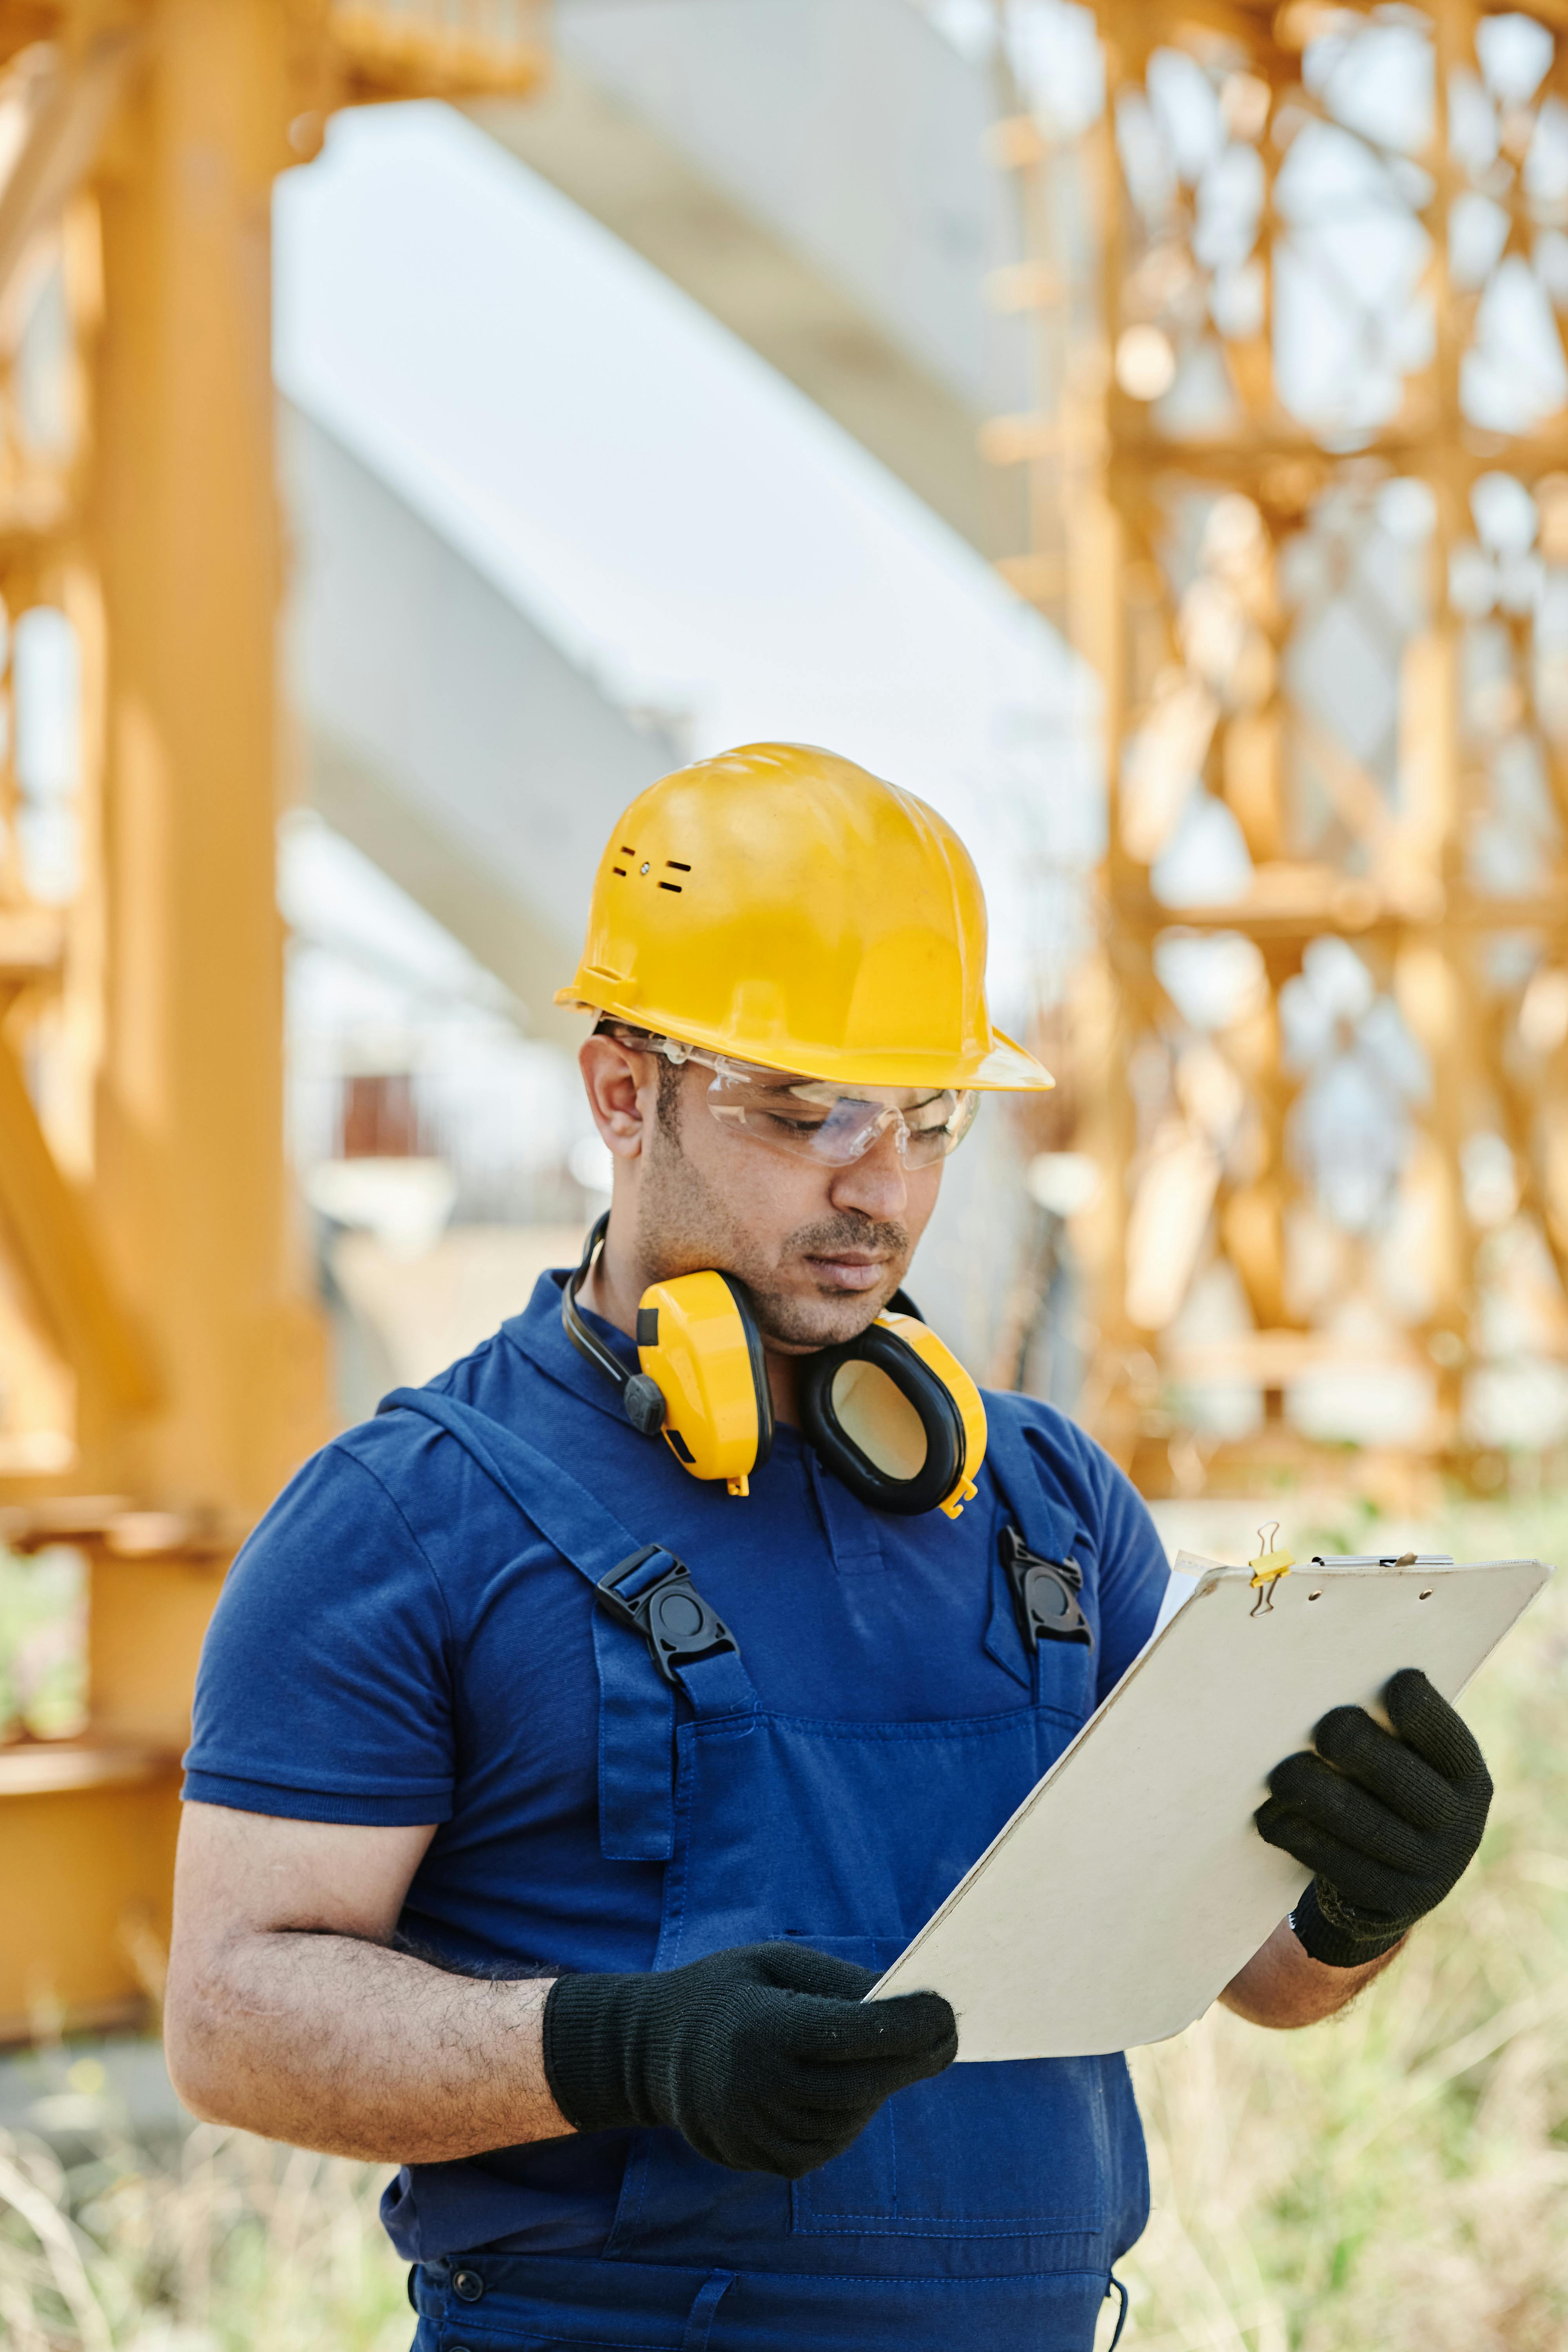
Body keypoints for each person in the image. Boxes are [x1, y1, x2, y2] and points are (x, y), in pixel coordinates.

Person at [165, 744, 1494, 2352]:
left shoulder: (1043, 1502)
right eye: (804, 1115)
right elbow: (231, 2022)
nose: (881, 1186)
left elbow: (1267, 1985)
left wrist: (1364, 1902)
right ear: (616, 1090)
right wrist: (621, 2053)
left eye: (928, 1123)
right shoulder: (406, 1517)